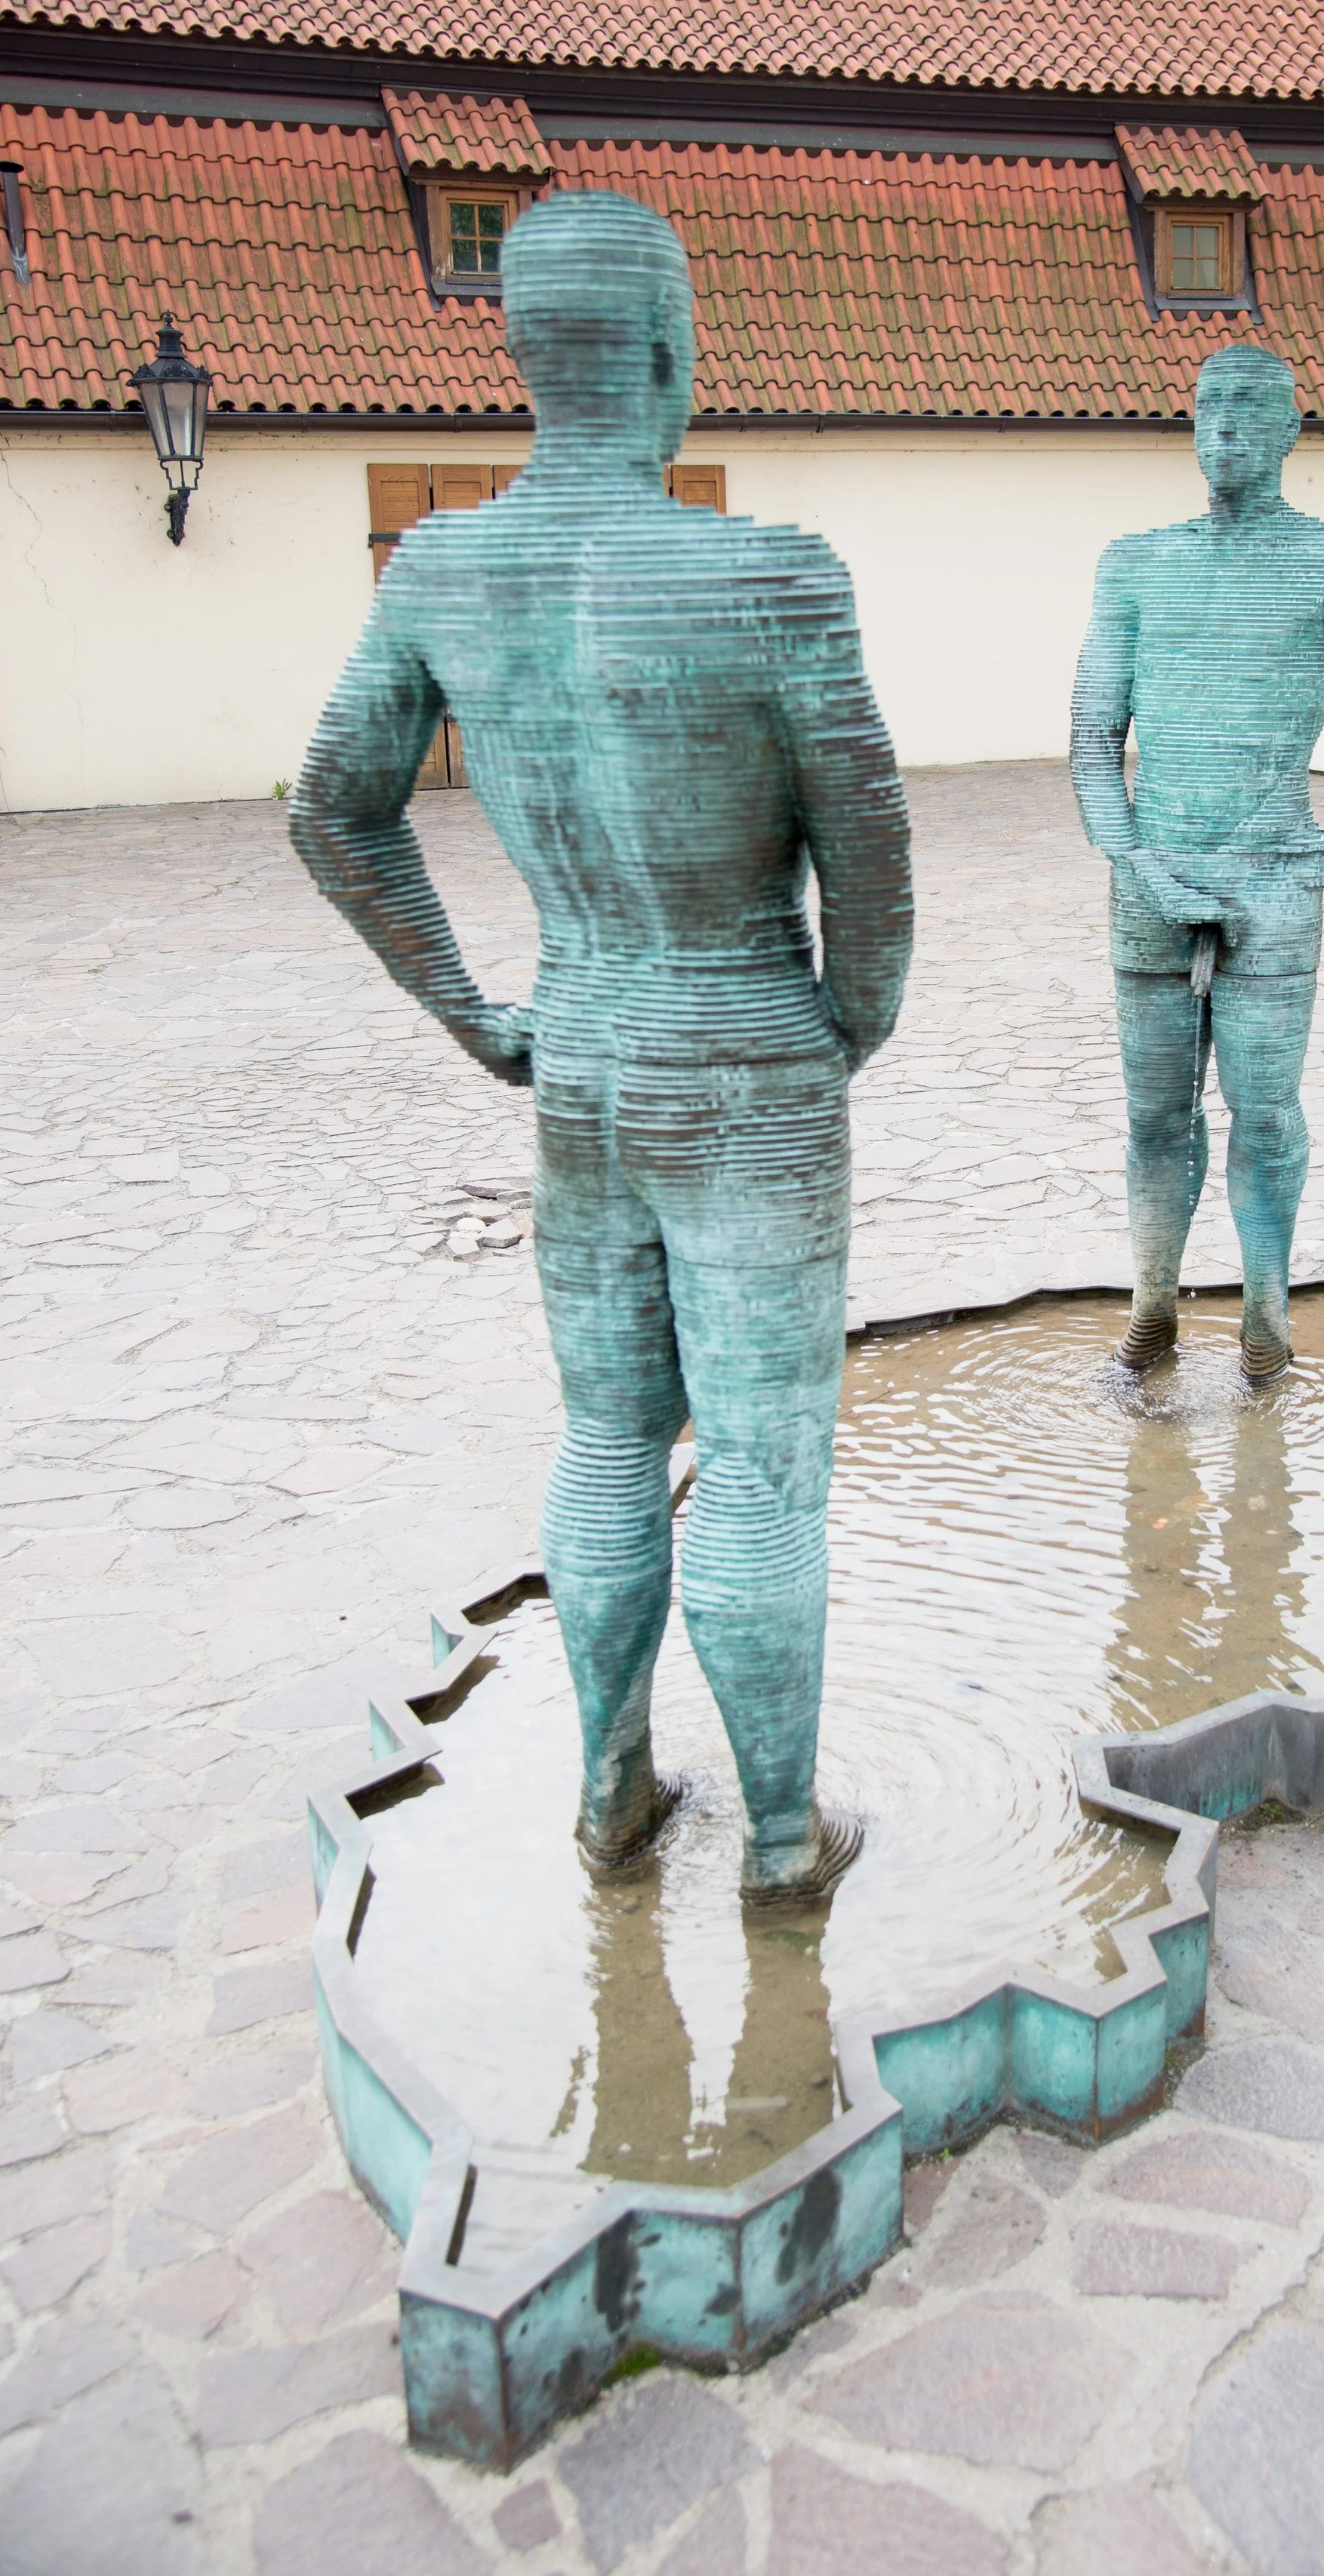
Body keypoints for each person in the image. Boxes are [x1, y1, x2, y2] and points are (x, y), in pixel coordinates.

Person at [292, 190, 912, 1897]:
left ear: (521, 353)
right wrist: (841, 1022)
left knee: (602, 1443)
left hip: (580, 1051)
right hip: (742, 1047)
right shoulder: (769, 572)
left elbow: (336, 814)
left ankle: (609, 1793)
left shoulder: (438, 565)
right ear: (664, 350)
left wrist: (478, 1015)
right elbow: (867, 849)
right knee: (767, 1463)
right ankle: (784, 1838)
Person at [1070, 342, 1324, 1381]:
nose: (1226, 436)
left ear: (1293, 430)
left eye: (1251, 416)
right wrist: (1139, 864)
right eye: (1209, 414)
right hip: (1150, 881)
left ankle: (1265, 1318)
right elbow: (1089, 739)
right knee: (1155, 1116)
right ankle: (1153, 1309)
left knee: (1263, 1110)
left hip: (1272, 880)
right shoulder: (1135, 562)